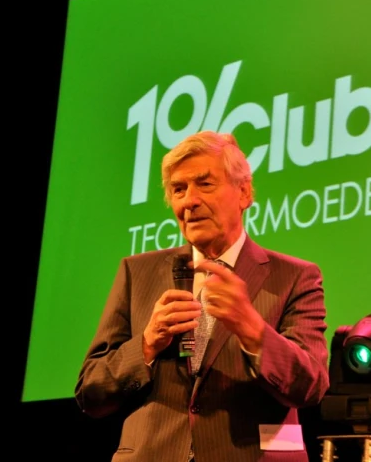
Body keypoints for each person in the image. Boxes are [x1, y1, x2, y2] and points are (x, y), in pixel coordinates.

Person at [75, 131, 329, 461]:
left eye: (204, 184)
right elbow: (90, 393)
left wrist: (252, 328)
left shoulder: (295, 277)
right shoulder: (136, 273)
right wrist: (147, 344)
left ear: (244, 192)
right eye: (179, 189)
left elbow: (311, 386)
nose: (189, 201)